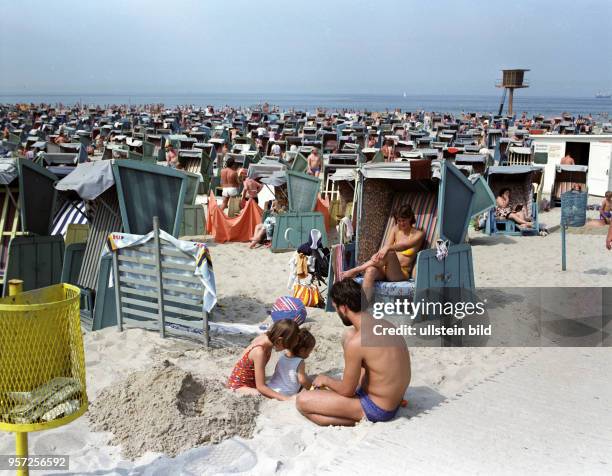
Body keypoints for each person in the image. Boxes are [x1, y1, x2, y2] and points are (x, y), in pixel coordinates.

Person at [296, 278, 411, 425]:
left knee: (302, 401)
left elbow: (346, 391)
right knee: (348, 336)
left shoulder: (358, 342)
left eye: (336, 308)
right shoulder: (387, 324)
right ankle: (356, 408)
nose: (338, 312)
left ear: (344, 308)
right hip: (394, 399)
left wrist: (325, 380)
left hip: (378, 408)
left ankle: (356, 418)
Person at [341, 205, 425, 301]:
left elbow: (404, 246)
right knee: (370, 271)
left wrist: (387, 248)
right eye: (399, 220)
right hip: (385, 268)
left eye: (404, 220)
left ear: (410, 218)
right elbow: (384, 249)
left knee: (390, 253)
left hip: (400, 273)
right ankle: (364, 305)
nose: (401, 223)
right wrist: (378, 254)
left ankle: (356, 270)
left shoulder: (419, 234)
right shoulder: (395, 229)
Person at [227, 319, 299, 401]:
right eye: (287, 345)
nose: (286, 349)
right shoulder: (259, 352)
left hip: (247, 381)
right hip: (239, 386)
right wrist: (287, 398)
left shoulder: (266, 337)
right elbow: (261, 387)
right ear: (279, 340)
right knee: (261, 394)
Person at [267, 329, 315, 397]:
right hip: (286, 393)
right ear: (302, 350)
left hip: (271, 388)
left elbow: (276, 372)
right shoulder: (300, 361)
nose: (309, 355)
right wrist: (312, 389)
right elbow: (303, 381)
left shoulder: (282, 357)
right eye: (309, 351)